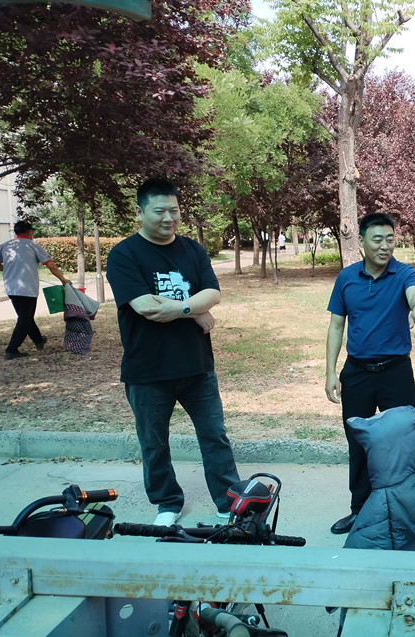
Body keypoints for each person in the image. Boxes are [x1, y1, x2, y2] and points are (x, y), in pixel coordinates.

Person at [106, 178, 240, 526]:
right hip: (147, 370)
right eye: (159, 211)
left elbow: (213, 293)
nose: (169, 218)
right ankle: (167, 502)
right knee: (154, 443)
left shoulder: (193, 250)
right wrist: (195, 311)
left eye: (174, 210)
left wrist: (184, 309)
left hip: (197, 366)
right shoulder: (124, 254)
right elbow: (145, 307)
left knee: (215, 437)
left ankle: (228, 502)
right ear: (140, 212)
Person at [325, 212, 415, 534]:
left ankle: (403, 514)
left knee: (401, 443)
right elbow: (336, 326)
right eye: (377, 240)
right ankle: (360, 511)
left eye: (390, 239)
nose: (385, 246)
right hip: (356, 373)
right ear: (361, 241)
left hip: (396, 373)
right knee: (358, 444)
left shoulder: (404, 273)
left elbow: (414, 294)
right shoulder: (346, 278)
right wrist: (330, 373)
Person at [0, 220, 72, 360]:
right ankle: (11, 349)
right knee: (25, 318)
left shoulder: (6, 245)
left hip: (11, 288)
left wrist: (8, 269)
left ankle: (39, 340)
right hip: (27, 289)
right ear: (30, 232)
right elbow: (51, 266)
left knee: (25, 317)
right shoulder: (33, 246)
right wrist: (63, 280)